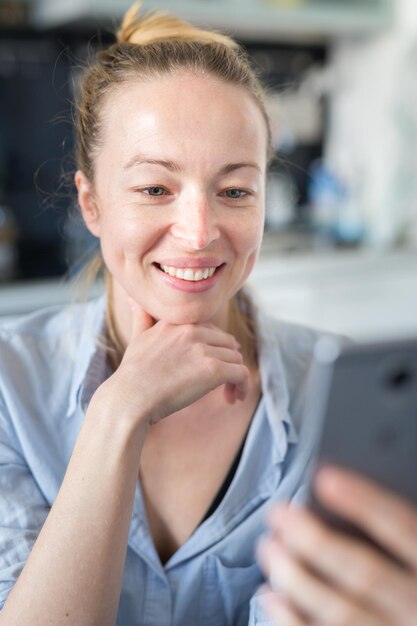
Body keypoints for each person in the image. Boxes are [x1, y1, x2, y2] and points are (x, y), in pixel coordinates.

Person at [0, 2, 416, 625]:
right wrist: (118, 412)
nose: (198, 234)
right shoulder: (10, 385)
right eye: (154, 189)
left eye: (234, 191)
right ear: (91, 204)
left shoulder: (332, 392)